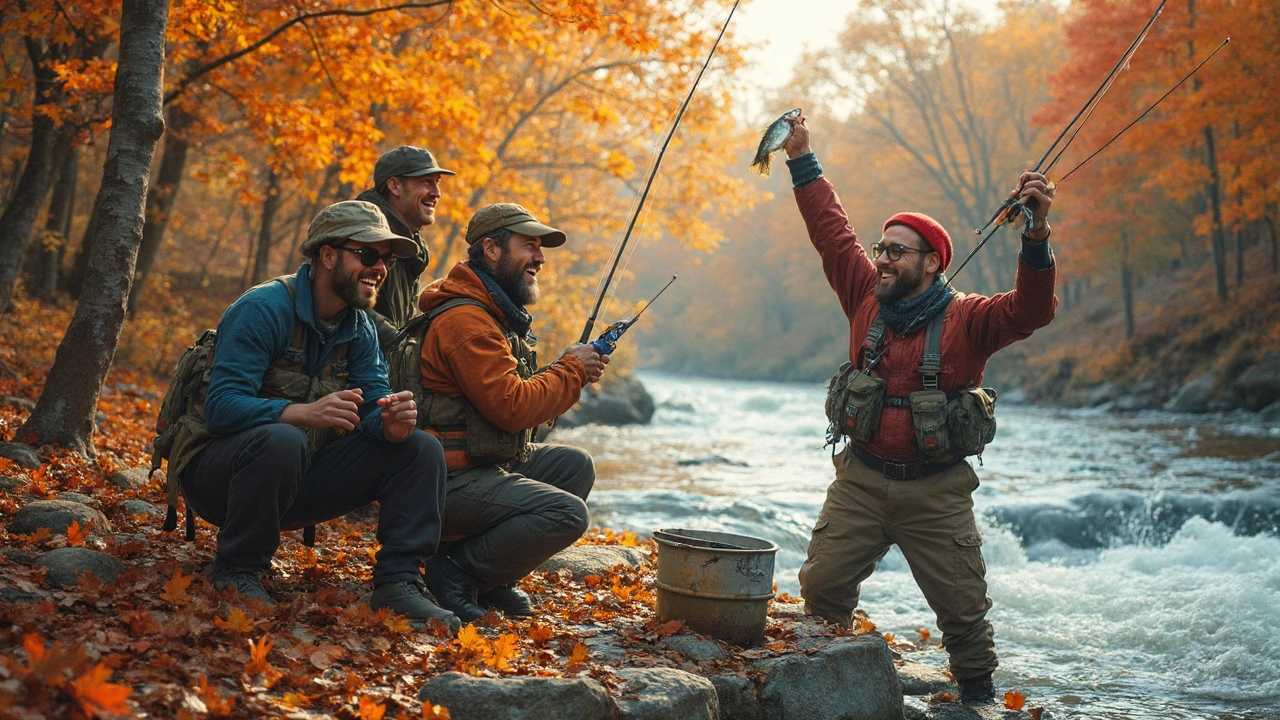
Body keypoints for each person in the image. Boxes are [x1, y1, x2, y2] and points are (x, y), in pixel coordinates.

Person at [782, 115, 1058, 704]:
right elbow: (831, 232)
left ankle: (980, 702)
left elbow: (1032, 311)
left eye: (895, 251)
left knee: (964, 618)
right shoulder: (862, 294)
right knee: (822, 588)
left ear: (931, 262)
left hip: (937, 494)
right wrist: (802, 158)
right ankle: (835, 689)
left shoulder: (974, 319)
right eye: (880, 248)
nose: (880, 257)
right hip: (859, 480)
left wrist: (1035, 238)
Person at [177, 200, 457, 630]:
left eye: (384, 259)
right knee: (282, 438)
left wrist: (391, 424)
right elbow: (221, 409)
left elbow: (371, 403)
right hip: (220, 482)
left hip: (298, 480)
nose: (379, 268)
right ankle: (237, 570)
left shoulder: (359, 326)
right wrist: (302, 413)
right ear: (328, 256)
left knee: (420, 448)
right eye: (368, 255)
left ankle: (399, 583)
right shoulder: (264, 308)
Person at [415, 202, 608, 622]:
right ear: (491, 249)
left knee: (574, 466)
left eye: (541, 248)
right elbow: (511, 407)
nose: (540, 258)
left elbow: (517, 405)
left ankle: (491, 577)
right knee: (566, 513)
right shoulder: (467, 320)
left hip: (476, 465)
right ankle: (454, 572)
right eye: (530, 247)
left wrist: (567, 372)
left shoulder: (494, 313)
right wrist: (571, 370)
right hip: (439, 481)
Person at [355, 145, 456, 350]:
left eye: (437, 182)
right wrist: (405, 348)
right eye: (426, 182)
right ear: (394, 186)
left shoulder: (410, 246)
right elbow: (351, 305)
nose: (436, 192)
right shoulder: (364, 234)